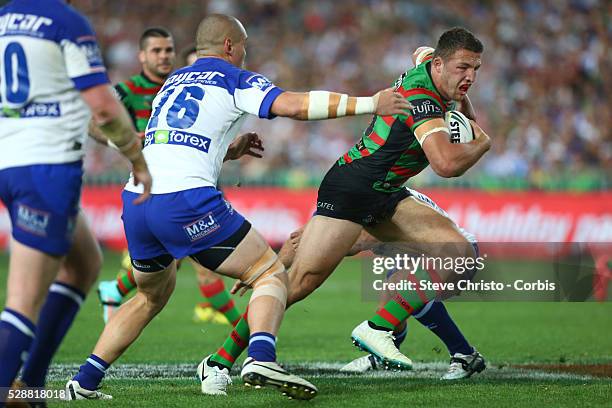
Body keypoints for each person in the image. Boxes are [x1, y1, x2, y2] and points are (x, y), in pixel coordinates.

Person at [65, 13, 410, 401]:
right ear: (230, 46)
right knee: (270, 273)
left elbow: (178, 141)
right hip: (185, 200)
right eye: (243, 46)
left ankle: (84, 382)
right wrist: (370, 103)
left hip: (137, 200)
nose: (246, 54)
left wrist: (229, 151)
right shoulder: (233, 77)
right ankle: (261, 356)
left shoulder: (173, 81)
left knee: (149, 297)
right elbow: (293, 105)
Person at [202, 27, 491, 385]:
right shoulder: (422, 100)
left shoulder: (430, 64)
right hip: (351, 190)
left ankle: (381, 328)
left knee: (459, 254)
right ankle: (218, 361)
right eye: (464, 68)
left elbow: (422, 52)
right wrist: (482, 143)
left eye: (476, 69)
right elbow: (447, 165)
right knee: (296, 284)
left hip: (384, 192)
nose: (471, 77)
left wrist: (464, 103)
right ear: (440, 64)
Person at [0, 0, 151, 403]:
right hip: (45, 167)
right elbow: (102, 106)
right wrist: (136, 156)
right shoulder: (65, 22)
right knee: (22, 302)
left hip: (9, 161)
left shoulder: (3, 20)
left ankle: (30, 387)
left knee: (84, 263)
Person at [94, 30, 242, 327]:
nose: (164, 56)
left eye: (168, 50)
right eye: (157, 51)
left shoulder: (179, 85)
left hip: (193, 177)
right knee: (201, 262)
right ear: (142, 56)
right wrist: (123, 141)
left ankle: (117, 288)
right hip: (156, 186)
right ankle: (244, 331)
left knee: (176, 259)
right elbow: (95, 120)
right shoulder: (130, 89)